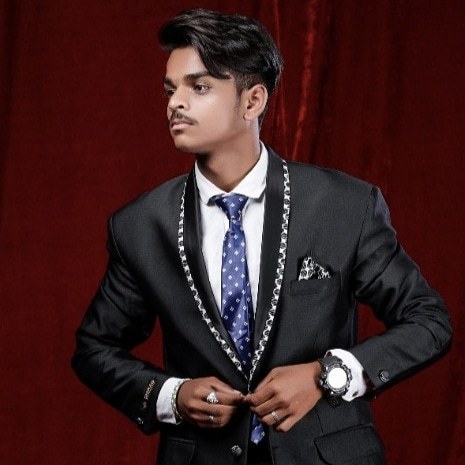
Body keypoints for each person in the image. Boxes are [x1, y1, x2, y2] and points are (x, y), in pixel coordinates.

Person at [72, 8, 452, 465]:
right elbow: (95, 348)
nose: (175, 103)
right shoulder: (140, 225)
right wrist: (172, 394)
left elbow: (428, 321)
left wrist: (327, 375)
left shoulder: (344, 206)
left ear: (252, 101)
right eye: (171, 89)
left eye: (199, 87)